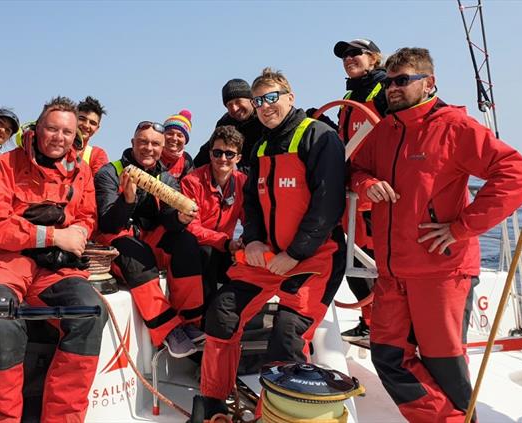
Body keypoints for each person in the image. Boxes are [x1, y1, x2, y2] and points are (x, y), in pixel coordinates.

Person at [350, 47, 522, 423]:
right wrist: (368, 184)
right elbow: (356, 171)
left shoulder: (455, 126)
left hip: (441, 272)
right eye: (388, 82)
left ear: (429, 82)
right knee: (386, 355)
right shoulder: (384, 131)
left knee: (443, 364)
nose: (392, 89)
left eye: (402, 80)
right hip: (392, 270)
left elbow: (515, 174)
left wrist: (461, 228)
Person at [198, 68, 347, 418]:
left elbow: (327, 204)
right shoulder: (261, 146)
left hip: (315, 259)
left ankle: (277, 414)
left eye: (272, 98)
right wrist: (251, 240)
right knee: (222, 314)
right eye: (259, 100)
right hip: (266, 256)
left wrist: (295, 254)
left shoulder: (319, 137)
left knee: (286, 335)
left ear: (290, 98)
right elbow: (251, 201)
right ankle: (214, 402)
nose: (265, 106)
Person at [0, 96, 107, 422]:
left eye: (66, 132)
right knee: (1, 319)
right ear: (37, 128)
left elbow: (87, 216)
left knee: (91, 313)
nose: (59, 137)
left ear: (77, 136)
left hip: (55, 268)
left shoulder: (82, 172)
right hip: (5, 261)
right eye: (51, 129)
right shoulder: (3, 166)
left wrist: (79, 234)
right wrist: (53, 235)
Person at [95, 120, 204, 358]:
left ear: (162, 148)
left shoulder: (165, 178)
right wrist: (128, 201)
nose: (148, 148)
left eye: (155, 144)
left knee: (187, 243)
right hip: (117, 241)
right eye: (143, 142)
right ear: (133, 143)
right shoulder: (109, 173)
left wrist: (181, 218)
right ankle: (167, 329)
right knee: (136, 252)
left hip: (149, 238)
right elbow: (107, 222)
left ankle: (190, 321)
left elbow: (168, 219)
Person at [332, 38, 388, 342]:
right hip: (351, 192)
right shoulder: (350, 96)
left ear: (374, 58)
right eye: (345, 55)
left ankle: (388, 326)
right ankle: (369, 323)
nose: (349, 58)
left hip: (377, 194)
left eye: (356, 53)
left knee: (376, 263)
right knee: (354, 261)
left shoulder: (385, 89)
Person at [180, 125, 246, 308]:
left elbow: (251, 220)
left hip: (227, 247)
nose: (223, 158)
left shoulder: (243, 182)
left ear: (238, 158)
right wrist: (226, 242)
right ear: (210, 154)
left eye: (229, 154)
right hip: (199, 248)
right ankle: (205, 316)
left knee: (250, 253)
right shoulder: (191, 182)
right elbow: (192, 227)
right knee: (207, 253)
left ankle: (236, 311)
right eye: (217, 153)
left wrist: (244, 241)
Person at [193, 78, 264, 172]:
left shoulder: (264, 116)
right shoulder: (225, 123)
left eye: (238, 101)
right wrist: (192, 168)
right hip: (235, 175)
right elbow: (210, 148)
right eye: (229, 105)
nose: (234, 108)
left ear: (251, 99)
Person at [75, 96, 110, 174]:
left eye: (92, 123)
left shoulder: (97, 155)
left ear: (97, 129)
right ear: (73, 119)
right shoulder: (56, 145)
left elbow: (100, 184)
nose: (86, 125)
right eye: (82, 119)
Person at [160, 110, 195, 181]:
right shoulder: (154, 153)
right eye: (170, 133)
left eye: (179, 135)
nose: (174, 138)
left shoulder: (186, 160)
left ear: (185, 141)